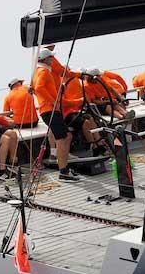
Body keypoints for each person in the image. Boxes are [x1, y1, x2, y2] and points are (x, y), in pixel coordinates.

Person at [32, 48, 79, 181]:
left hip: (48, 110)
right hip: (50, 109)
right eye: (51, 58)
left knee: (66, 136)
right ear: (46, 59)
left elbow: (35, 88)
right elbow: (39, 87)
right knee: (62, 138)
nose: (53, 60)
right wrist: (53, 102)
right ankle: (63, 171)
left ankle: (64, 167)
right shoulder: (43, 71)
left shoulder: (38, 71)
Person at [62, 70, 108, 157]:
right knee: (85, 122)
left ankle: (100, 143)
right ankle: (94, 146)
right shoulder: (60, 85)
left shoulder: (75, 81)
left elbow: (82, 94)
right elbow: (63, 102)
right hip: (66, 113)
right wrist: (78, 101)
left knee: (90, 118)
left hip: (76, 110)